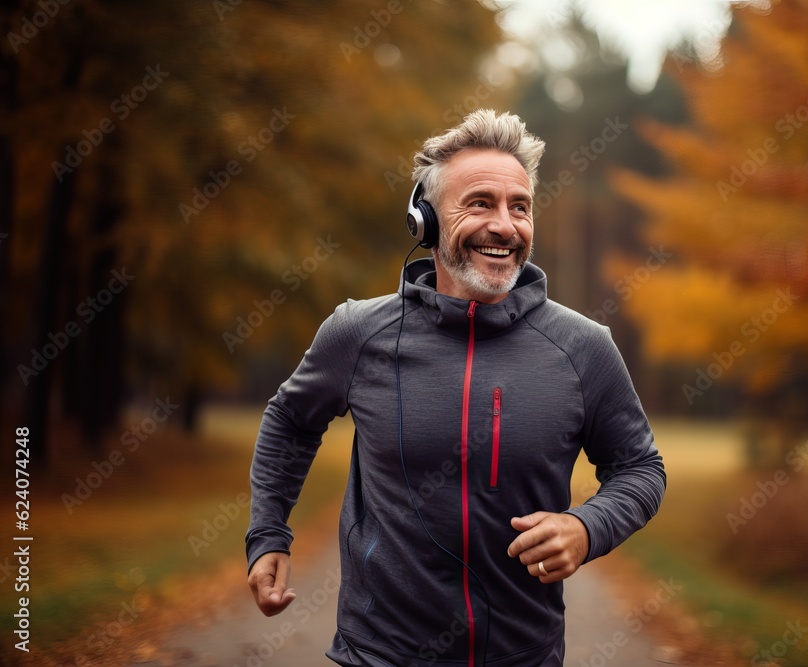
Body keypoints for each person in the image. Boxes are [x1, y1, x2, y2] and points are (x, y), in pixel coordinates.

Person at [245, 109, 665, 667]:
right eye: (480, 203)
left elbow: (641, 468)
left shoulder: (583, 347)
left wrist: (588, 527)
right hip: (380, 654)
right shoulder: (358, 334)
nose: (505, 225)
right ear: (425, 221)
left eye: (520, 206)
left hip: (525, 656)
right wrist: (268, 533)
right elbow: (290, 421)